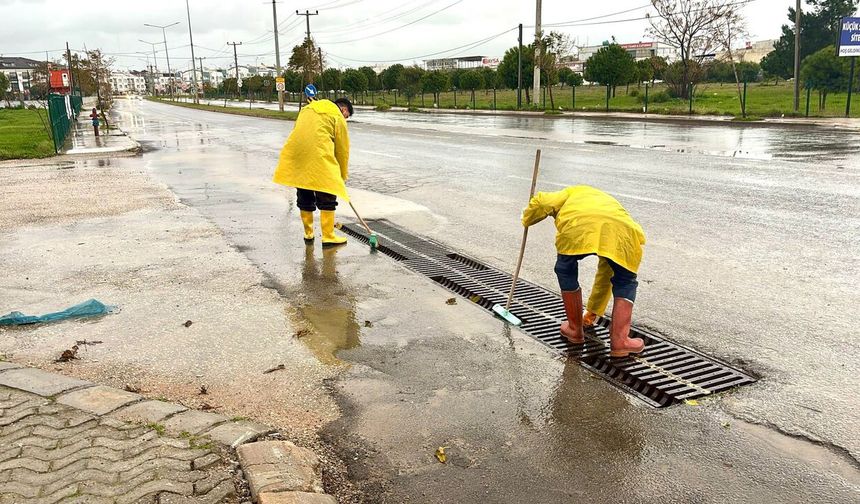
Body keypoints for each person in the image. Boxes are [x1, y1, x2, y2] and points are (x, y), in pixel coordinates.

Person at [521, 185, 646, 358]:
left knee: (565, 269)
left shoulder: (571, 192)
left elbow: (543, 202)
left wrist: (527, 219)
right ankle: (620, 341)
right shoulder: (606, 202)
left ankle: (574, 330)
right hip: (624, 233)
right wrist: (591, 314)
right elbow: (606, 275)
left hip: (578, 227)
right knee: (625, 281)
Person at [273, 97, 353, 247]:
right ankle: (328, 236)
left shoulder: (307, 109)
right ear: (343, 110)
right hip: (319, 157)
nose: (345, 119)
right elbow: (342, 150)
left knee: (304, 191)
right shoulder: (337, 116)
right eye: (346, 116)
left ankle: (308, 233)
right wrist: (341, 175)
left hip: (297, 155)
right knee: (327, 193)